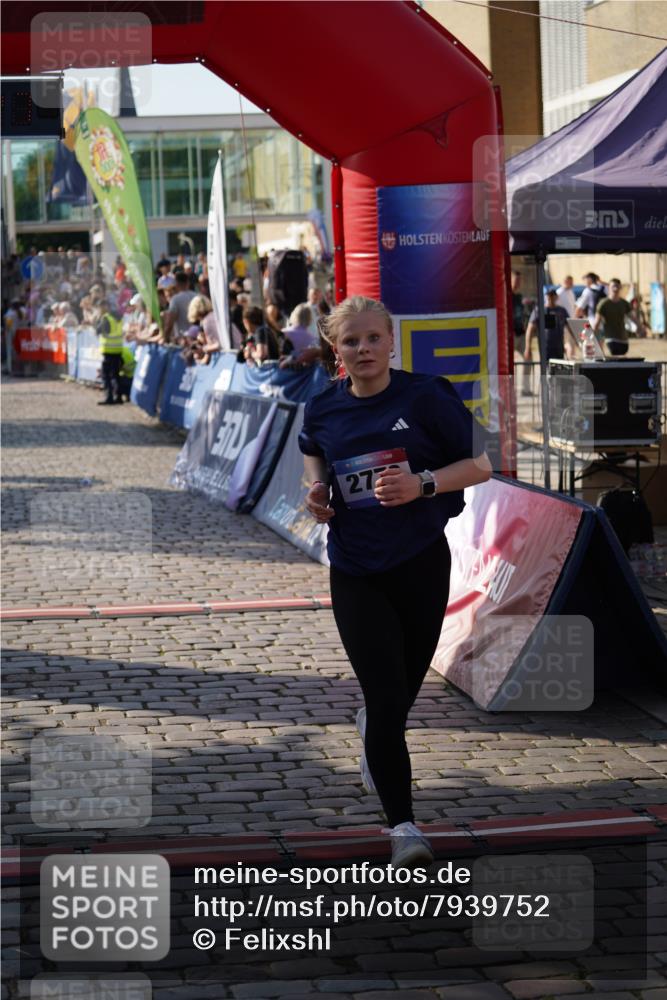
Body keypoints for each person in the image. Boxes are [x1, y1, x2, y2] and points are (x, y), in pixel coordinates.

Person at [299, 296, 492, 867]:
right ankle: (403, 827)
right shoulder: (324, 407)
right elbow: (314, 452)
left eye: (372, 339)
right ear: (337, 350)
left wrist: (424, 483)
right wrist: (316, 491)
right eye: (351, 341)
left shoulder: (427, 395)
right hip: (356, 570)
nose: (363, 349)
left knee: (398, 698)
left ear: (391, 342)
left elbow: (483, 464)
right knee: (385, 700)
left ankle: (374, 731)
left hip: (420, 561)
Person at [524, 290, 570, 367]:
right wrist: (528, 347)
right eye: (549, 295)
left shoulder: (562, 311)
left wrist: (570, 343)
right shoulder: (539, 310)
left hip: (559, 347)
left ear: (556, 297)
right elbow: (530, 329)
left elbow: (569, 326)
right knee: (546, 371)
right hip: (545, 347)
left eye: (552, 295)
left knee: (559, 371)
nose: (550, 298)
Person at [95, 298, 124, 404]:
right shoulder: (118, 316)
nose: (99, 310)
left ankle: (109, 397)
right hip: (118, 348)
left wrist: (97, 319)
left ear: (104, 306)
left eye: (100, 307)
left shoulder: (106, 318)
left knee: (106, 375)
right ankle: (119, 397)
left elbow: (98, 330)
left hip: (108, 349)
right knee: (116, 374)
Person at [592, 278, 631, 356]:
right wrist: (592, 335)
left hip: (624, 339)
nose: (615, 288)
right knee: (615, 359)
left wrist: (640, 328)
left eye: (617, 286)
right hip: (610, 338)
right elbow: (596, 322)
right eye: (613, 286)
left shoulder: (624, 303)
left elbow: (632, 317)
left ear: (620, 287)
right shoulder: (603, 303)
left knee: (623, 362)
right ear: (609, 287)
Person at [162, 271, 196, 343]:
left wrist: (165, 338)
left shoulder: (175, 299)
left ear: (176, 284)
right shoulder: (197, 296)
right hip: (197, 337)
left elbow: (170, 322)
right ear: (188, 282)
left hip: (183, 340)